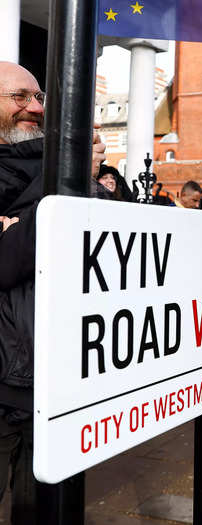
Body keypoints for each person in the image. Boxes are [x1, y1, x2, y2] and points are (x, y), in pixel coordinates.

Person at [0, 61, 106, 523]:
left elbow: (107, 245)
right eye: (19, 97)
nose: (35, 108)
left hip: (57, 383)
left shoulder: (67, 168)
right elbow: (6, 264)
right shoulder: (64, 170)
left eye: (39, 97)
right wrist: (66, 180)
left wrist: (76, 179)